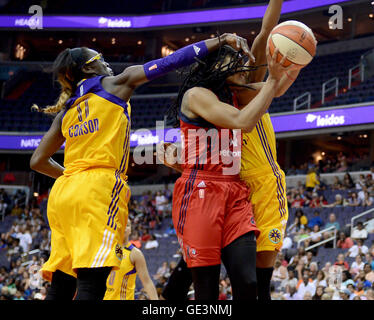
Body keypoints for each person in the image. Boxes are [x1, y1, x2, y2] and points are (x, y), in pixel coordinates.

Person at [29, 33, 247, 300]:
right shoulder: (113, 84)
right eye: (101, 59)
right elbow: (169, 62)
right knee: (91, 281)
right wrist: (219, 40)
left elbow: (37, 161)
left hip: (63, 193)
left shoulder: (68, 108)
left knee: (61, 284)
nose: (108, 65)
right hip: (97, 187)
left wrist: (72, 177)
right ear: (87, 68)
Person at [158, 0, 313, 300]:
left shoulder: (247, 87)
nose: (244, 65)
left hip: (257, 184)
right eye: (235, 62)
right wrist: (182, 161)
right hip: (222, 186)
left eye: (244, 63)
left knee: (254, 282)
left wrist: (284, 65)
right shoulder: (207, 98)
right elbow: (231, 127)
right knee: (201, 277)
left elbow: (266, 32)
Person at [104, 218, 158, 300]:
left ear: (131, 230)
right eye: (121, 224)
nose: (124, 227)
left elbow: (147, 282)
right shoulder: (104, 250)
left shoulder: (135, 253)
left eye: (127, 225)